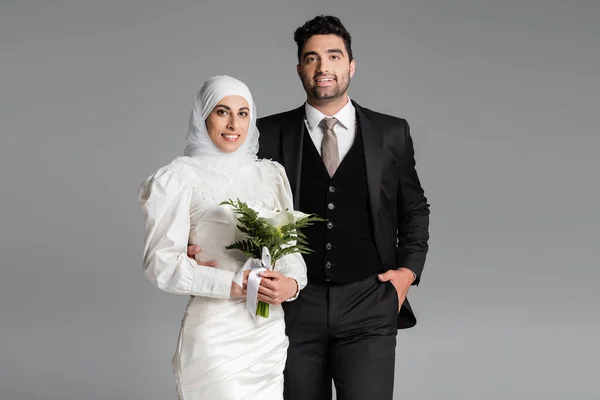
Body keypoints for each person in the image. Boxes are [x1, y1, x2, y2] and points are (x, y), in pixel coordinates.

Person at [256, 15, 430, 400]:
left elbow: (414, 208)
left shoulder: (390, 132)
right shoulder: (267, 134)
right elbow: (234, 203)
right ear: (299, 68)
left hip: (369, 301)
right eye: (312, 58)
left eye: (334, 56)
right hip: (295, 305)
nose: (323, 67)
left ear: (351, 65)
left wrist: (406, 274)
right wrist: (200, 244)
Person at [138, 75, 307, 400]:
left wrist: (292, 285)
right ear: (203, 115)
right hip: (215, 333)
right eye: (222, 111)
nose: (233, 123)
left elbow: (290, 254)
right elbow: (159, 264)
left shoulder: (269, 175)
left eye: (243, 113)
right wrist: (227, 283)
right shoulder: (179, 177)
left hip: (267, 332)